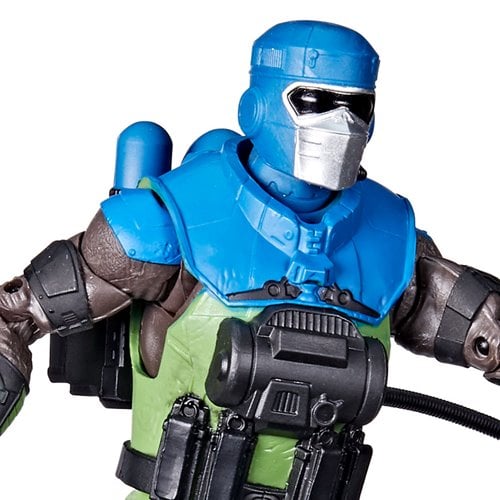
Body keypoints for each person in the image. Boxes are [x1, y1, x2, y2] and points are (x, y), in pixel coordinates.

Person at [1, 20, 499, 500]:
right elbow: (15, 316)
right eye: (315, 102)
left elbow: (487, 328)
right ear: (257, 107)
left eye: (357, 105)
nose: (341, 123)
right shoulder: (164, 224)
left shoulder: (392, 242)